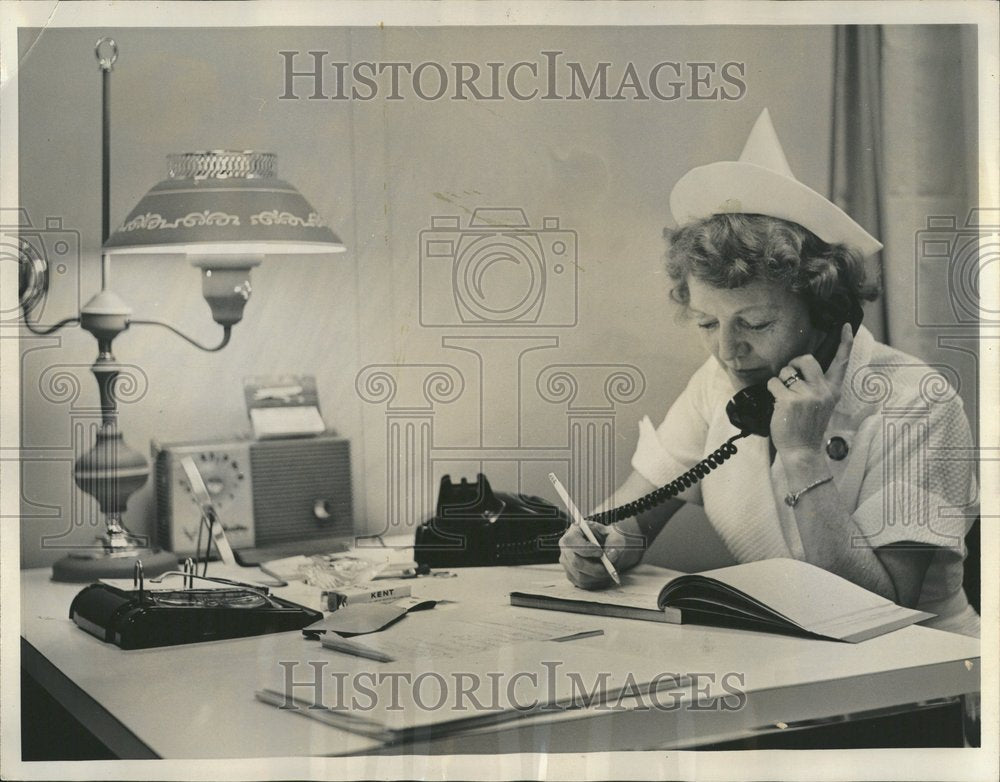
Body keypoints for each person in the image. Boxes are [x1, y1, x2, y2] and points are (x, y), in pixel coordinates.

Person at [559, 109, 980, 638]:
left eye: (755, 322)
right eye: (707, 322)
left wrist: (803, 457)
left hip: (923, 682)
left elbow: (878, 612)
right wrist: (605, 543)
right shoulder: (720, 382)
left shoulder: (918, 402)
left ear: (824, 307)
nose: (728, 350)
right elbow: (637, 508)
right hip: (789, 662)